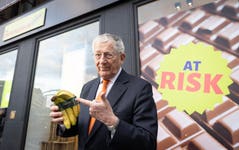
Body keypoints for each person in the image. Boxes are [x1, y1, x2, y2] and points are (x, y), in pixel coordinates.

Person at [50, 33, 158, 150]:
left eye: (108, 55)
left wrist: (113, 122)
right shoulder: (88, 87)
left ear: (122, 58)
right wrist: (63, 122)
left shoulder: (140, 88)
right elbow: (83, 129)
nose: (102, 61)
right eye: (97, 55)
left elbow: (148, 142)